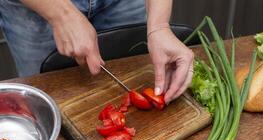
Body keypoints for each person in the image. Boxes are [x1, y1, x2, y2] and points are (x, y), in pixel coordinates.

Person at [0, 0, 194, 103]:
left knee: (133, 71)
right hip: (32, 9)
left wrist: (159, 25)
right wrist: (61, 13)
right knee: (47, 103)